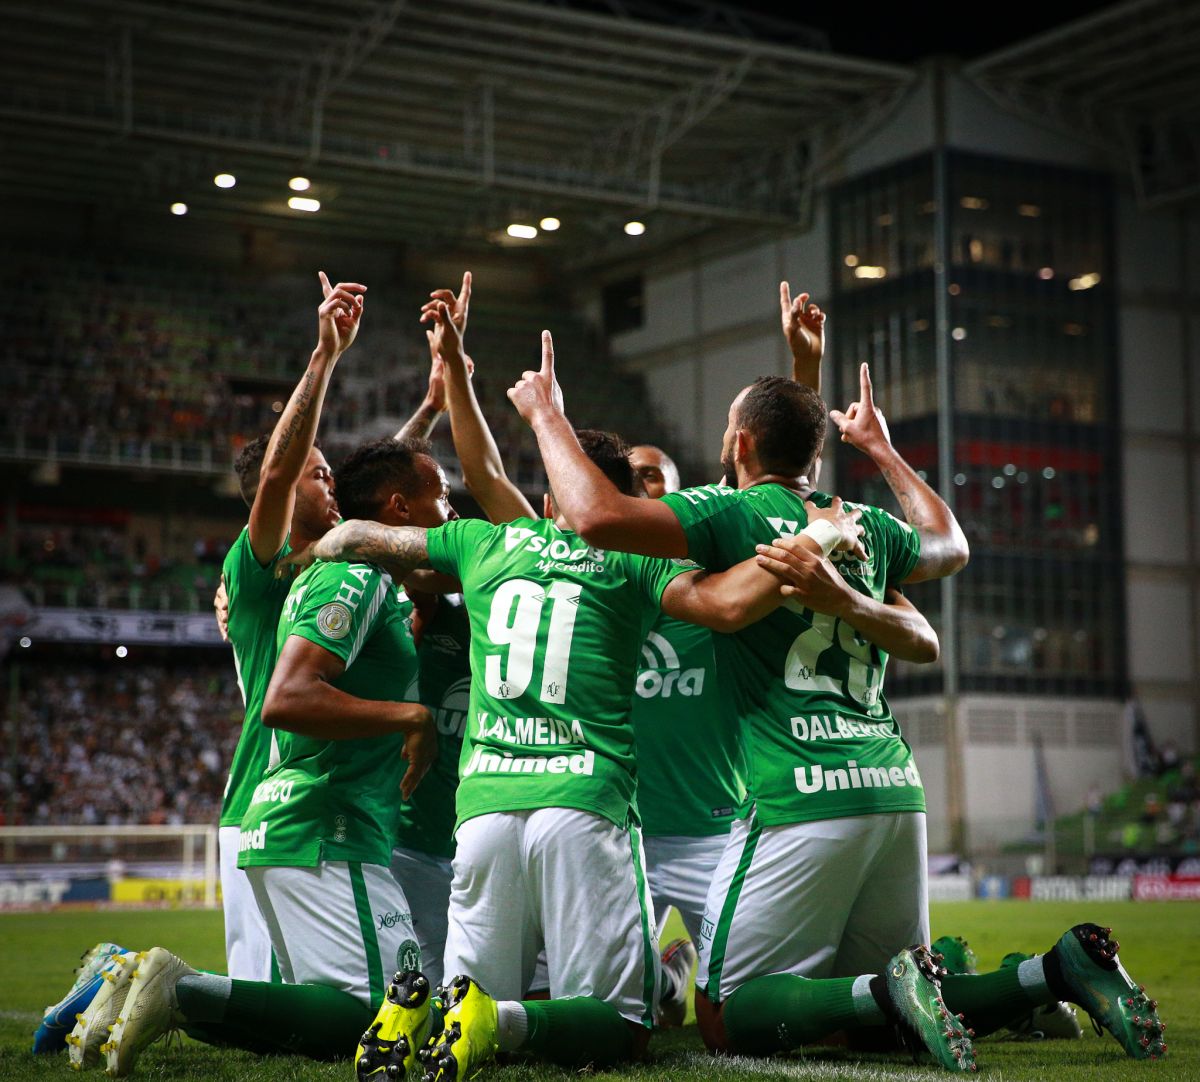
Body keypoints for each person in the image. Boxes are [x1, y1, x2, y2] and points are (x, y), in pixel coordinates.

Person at [506, 332, 1164, 1065]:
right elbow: (950, 544)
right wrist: (882, 452)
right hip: (891, 789)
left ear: (740, 441)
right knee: (875, 1015)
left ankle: (906, 990)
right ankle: (1053, 972)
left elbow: (594, 516)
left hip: (798, 794)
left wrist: (545, 415)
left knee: (724, 1016)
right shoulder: (863, 522)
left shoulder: (729, 518)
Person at [216, 272, 362, 983]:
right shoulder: (254, 568)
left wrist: (429, 407)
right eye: (320, 474)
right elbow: (276, 477)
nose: (331, 483)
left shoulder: (314, 563)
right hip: (259, 809)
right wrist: (324, 355)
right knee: (267, 1011)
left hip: (306, 810)